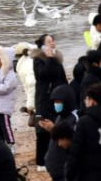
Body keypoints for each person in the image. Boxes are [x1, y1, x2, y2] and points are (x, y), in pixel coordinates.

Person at [32, 33, 68, 173]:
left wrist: (67, 92)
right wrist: (49, 59)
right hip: (44, 99)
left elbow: (62, 77)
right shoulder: (38, 59)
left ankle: (58, 157)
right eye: (49, 41)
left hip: (58, 98)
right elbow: (42, 75)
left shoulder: (57, 58)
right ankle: (41, 161)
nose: (52, 43)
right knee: (43, 130)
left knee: (58, 127)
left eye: (53, 41)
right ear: (42, 45)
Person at [38, 85, 78, 181]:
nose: (56, 105)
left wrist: (53, 129)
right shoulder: (60, 117)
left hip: (64, 173)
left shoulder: (75, 118)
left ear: (67, 101)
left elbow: (71, 140)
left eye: (59, 102)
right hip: (56, 171)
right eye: (55, 102)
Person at [14, 42, 37, 120]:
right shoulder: (30, 61)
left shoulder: (25, 67)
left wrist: (30, 106)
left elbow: (32, 85)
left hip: (39, 101)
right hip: (41, 98)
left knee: (41, 127)